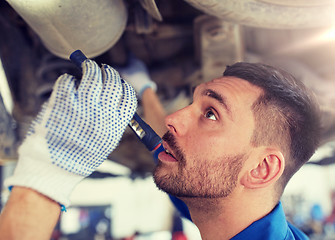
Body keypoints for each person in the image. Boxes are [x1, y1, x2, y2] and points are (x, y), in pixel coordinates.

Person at [0, 55, 320, 240]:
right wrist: (146, 91)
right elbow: (165, 149)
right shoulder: (216, 202)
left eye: (211, 114)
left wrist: (45, 179)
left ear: (262, 169)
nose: (172, 118)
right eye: (196, 103)